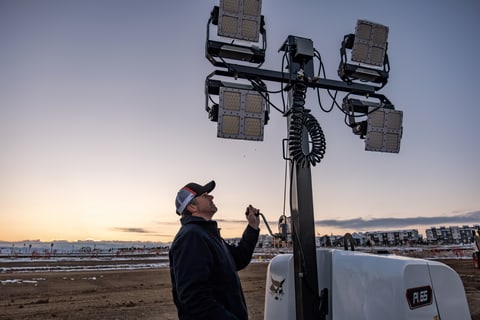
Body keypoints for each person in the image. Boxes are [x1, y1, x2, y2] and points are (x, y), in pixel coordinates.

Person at [169, 180, 260, 320]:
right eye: (205, 195)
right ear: (192, 207)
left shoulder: (208, 235)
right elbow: (195, 300)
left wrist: (252, 227)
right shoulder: (191, 237)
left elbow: (239, 259)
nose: (211, 197)